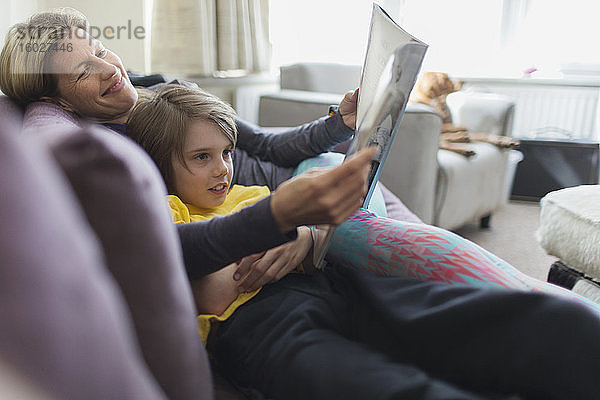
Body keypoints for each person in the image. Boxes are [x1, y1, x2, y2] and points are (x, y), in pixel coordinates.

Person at [3, 10, 600, 399]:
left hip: (325, 265)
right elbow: (187, 270)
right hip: (259, 316)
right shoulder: (107, 157)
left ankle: (538, 298)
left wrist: (334, 133)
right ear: (60, 96)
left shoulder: (166, 94)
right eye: (84, 71)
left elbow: (261, 144)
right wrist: (284, 217)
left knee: (561, 325)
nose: (110, 69)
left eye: (103, 50)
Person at [124, 83, 600, 400]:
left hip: (347, 288)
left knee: (555, 321)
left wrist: (306, 238)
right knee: (389, 387)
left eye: (226, 153)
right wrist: (293, 234)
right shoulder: (165, 213)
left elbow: (309, 235)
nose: (223, 168)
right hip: (262, 326)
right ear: (158, 165)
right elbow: (216, 289)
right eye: (202, 157)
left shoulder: (251, 193)